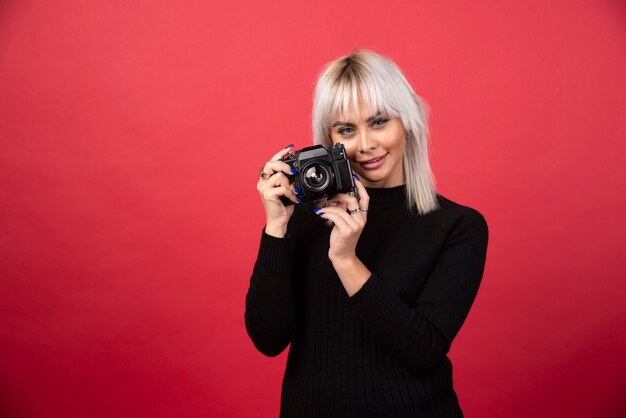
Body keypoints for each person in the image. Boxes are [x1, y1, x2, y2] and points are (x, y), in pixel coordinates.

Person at [245, 49, 489, 418]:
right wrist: (276, 227)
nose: (364, 144)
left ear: (406, 121)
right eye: (346, 129)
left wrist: (345, 259)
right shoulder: (306, 217)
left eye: (378, 122)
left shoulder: (458, 227)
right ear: (328, 138)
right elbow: (268, 339)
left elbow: (422, 351)